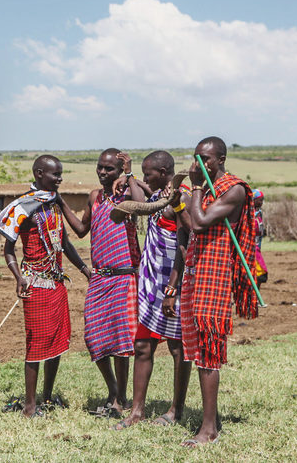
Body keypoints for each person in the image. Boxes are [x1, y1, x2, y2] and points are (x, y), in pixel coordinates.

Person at [0, 155, 90, 418]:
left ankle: (46, 398)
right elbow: (9, 250)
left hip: (57, 282)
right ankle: (29, 406)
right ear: (39, 174)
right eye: (54, 174)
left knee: (56, 343)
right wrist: (18, 278)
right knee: (36, 344)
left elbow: (66, 243)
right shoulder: (24, 206)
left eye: (60, 174)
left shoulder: (55, 204)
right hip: (34, 283)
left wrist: (84, 269)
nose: (59, 179)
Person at [179, 136, 259, 447]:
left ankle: (209, 429)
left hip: (216, 275)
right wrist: (180, 200)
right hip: (198, 272)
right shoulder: (208, 188)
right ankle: (207, 422)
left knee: (209, 350)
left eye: (206, 158)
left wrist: (195, 188)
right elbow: (187, 221)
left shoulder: (234, 189)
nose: (200, 163)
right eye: (197, 157)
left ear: (221, 159)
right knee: (199, 349)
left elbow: (198, 223)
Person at [112, 151, 192, 430]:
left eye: (148, 174)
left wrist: (173, 287)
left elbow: (184, 245)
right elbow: (139, 197)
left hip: (173, 283)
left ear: (163, 171)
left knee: (177, 347)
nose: (146, 179)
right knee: (142, 345)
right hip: (151, 284)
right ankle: (136, 411)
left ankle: (176, 410)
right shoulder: (160, 198)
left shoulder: (180, 199)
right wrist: (130, 173)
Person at [61, 149, 141, 418]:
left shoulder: (127, 197)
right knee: (94, 337)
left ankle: (119, 399)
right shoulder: (95, 197)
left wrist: (130, 174)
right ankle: (114, 389)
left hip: (123, 275)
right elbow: (82, 231)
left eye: (110, 169)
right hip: (100, 277)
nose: (104, 173)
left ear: (119, 171)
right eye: (100, 167)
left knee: (120, 341)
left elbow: (141, 203)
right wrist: (61, 204)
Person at [252, 189, 268, 287]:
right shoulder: (248, 214)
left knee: (258, 275)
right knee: (260, 274)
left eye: (262, 200)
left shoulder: (259, 213)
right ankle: (254, 298)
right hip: (250, 248)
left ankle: (255, 299)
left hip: (257, 247)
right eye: (259, 200)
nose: (261, 202)